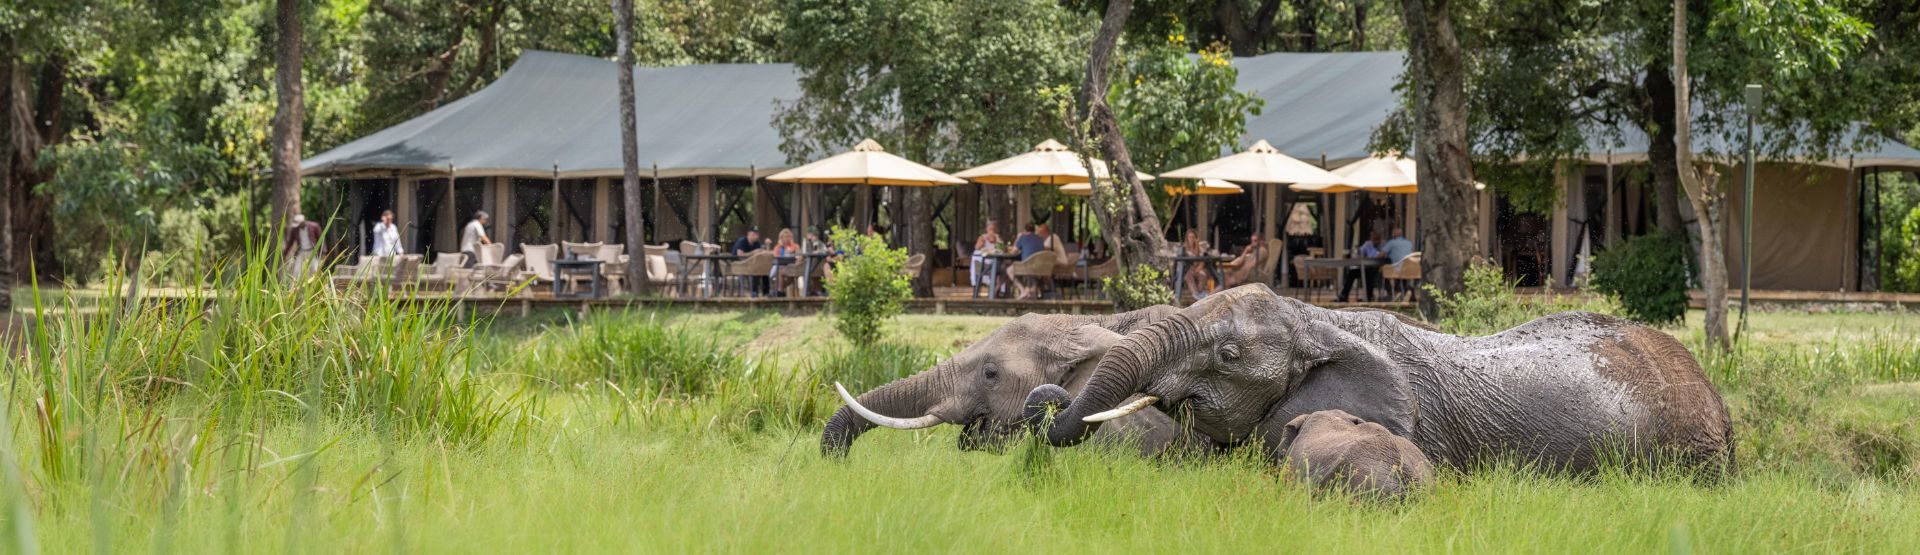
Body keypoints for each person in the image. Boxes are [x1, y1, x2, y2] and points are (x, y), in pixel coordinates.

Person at [1336, 230, 1388, 303]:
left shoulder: (1384, 244)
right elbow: (1360, 252)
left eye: (1376, 238)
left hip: (1378, 268)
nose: (1375, 240)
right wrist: (1356, 252)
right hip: (1366, 267)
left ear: (1379, 238)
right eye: (1373, 238)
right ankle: (1344, 295)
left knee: (1370, 274)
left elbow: (1384, 256)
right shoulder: (1368, 244)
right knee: (1352, 273)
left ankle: (1368, 297)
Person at [1007, 223, 1048, 299]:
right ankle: (1032, 296)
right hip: (1040, 266)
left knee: (1009, 271)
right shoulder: (1040, 238)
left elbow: (1013, 251)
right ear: (1034, 230)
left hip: (1027, 265)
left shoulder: (1023, 237)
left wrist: (1018, 238)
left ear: (1025, 230)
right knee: (1031, 275)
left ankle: (1023, 291)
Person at [282, 214, 323, 280]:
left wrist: (324, 252)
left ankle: (318, 286)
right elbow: (290, 242)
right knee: (297, 271)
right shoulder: (295, 230)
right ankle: (294, 288)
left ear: (302, 222)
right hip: (301, 251)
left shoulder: (314, 226)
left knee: (315, 269)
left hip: (312, 251)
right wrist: (285, 253)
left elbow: (321, 239)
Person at [970, 219, 1003, 288]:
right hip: (984, 265)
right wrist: (983, 241)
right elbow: (976, 248)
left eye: (994, 229)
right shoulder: (982, 237)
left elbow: (1001, 249)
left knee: (1003, 267)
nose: (992, 231)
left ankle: (999, 289)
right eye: (990, 229)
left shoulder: (997, 238)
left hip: (995, 262)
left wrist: (997, 238)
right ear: (987, 229)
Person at [1180, 229, 1212, 297]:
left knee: (1202, 275)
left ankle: (1199, 294)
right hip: (1187, 271)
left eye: (1193, 237)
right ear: (1187, 238)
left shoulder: (1199, 248)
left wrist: (1198, 268)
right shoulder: (1184, 249)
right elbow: (1183, 262)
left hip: (1197, 270)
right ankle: (1196, 294)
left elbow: (1202, 261)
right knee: (1189, 276)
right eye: (1190, 237)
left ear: (1196, 238)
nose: (1191, 239)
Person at [770, 228, 800, 296]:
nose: (787, 238)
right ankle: (779, 291)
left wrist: (791, 251)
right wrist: (782, 247)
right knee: (779, 270)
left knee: (782, 272)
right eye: (785, 237)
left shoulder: (795, 246)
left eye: (788, 236)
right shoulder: (778, 247)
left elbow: (798, 256)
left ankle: (779, 291)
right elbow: (775, 255)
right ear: (781, 238)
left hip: (792, 266)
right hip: (779, 265)